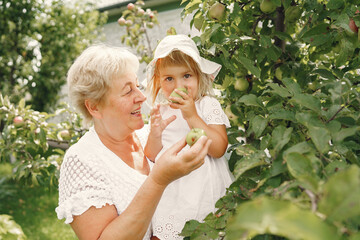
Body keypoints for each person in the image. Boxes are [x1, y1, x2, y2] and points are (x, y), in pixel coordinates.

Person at [55, 44, 212, 240]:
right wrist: (158, 180)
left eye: (137, 86)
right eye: (128, 91)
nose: (142, 96)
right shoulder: (82, 161)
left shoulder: (154, 135)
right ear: (94, 107)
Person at [144, 34, 234, 240]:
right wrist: (155, 134)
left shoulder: (206, 105)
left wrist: (192, 115)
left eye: (186, 76)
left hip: (204, 189)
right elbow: (151, 155)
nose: (179, 86)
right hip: (172, 191)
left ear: (199, 76)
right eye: (169, 79)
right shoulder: (163, 111)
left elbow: (219, 148)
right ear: (158, 81)